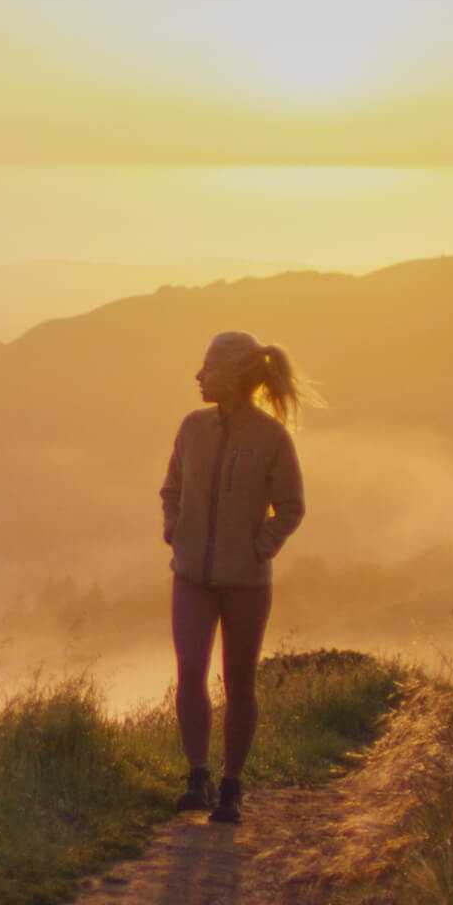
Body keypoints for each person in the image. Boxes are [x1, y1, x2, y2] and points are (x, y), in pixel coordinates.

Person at [159, 330, 310, 824]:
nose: (199, 376)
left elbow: (290, 507)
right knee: (189, 675)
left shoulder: (271, 438)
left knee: (240, 683)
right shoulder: (191, 427)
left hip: (247, 583)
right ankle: (197, 776)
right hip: (192, 578)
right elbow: (172, 488)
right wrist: (174, 531)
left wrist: (257, 549)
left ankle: (232, 786)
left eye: (209, 369)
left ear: (236, 376)